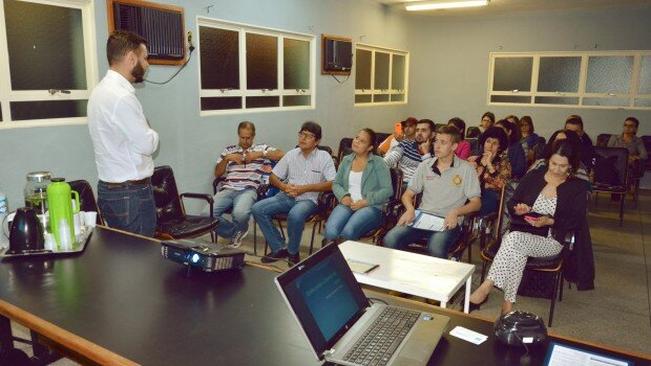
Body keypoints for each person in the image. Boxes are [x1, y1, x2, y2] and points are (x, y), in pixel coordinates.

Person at [470, 140, 588, 316]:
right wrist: (520, 208)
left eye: (562, 166)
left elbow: (576, 220)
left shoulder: (576, 187)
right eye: (553, 163)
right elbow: (512, 203)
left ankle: (486, 287)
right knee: (516, 248)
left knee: (513, 240)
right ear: (548, 160)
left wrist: (549, 221)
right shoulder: (534, 177)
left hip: (550, 239)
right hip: (523, 232)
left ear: (571, 166)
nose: (556, 169)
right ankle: (507, 306)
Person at [87, 31, 159, 237]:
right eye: (145, 58)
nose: (147, 65)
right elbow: (148, 144)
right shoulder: (121, 97)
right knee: (142, 258)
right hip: (131, 194)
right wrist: (151, 131)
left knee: (123, 258)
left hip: (110, 191)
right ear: (131, 58)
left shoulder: (99, 91)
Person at [382, 126, 481, 258]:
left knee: (435, 248)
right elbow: (408, 194)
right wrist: (410, 209)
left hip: (448, 221)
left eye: (443, 142)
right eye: (436, 141)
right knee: (390, 239)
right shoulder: (425, 165)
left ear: (454, 147)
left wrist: (456, 212)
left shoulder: (466, 169)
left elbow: (476, 203)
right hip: (421, 217)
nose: (437, 146)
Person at [252, 122, 336, 266]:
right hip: (286, 196)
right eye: (301, 134)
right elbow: (273, 177)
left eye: (308, 136)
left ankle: (292, 252)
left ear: (317, 141)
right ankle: (279, 247)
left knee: (295, 215)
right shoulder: (291, 154)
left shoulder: (324, 157)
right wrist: (283, 187)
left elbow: (332, 183)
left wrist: (305, 188)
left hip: (309, 200)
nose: (303, 138)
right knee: (257, 209)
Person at [212, 121, 284, 247]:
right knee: (206, 215)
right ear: (238, 135)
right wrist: (226, 159)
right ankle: (236, 232)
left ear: (253, 136)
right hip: (228, 188)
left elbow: (282, 154)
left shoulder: (261, 148)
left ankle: (238, 230)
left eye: (248, 138)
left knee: (239, 214)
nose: (245, 141)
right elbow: (217, 173)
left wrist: (260, 154)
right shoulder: (229, 150)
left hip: (248, 189)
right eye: (242, 137)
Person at [325, 129, 393, 242]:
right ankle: (335, 259)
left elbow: (387, 190)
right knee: (331, 232)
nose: (356, 142)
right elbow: (336, 183)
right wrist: (343, 196)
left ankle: (341, 259)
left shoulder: (378, 162)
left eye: (362, 141)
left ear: (370, 147)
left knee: (348, 232)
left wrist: (366, 201)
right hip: (347, 204)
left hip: (371, 207)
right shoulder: (346, 160)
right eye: (356, 138)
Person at [468, 127, 511, 215]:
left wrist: (489, 164)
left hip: (488, 199)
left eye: (494, 143)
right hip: (471, 195)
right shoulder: (474, 160)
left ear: (499, 147)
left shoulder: (504, 163)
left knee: (490, 195)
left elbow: (501, 185)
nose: (490, 146)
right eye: (488, 141)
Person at [384, 119, 434, 184]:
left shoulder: (436, 152)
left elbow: (431, 177)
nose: (419, 133)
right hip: (399, 184)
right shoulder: (406, 144)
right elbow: (389, 160)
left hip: (418, 188)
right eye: (417, 130)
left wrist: (426, 154)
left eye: (423, 130)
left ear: (432, 134)